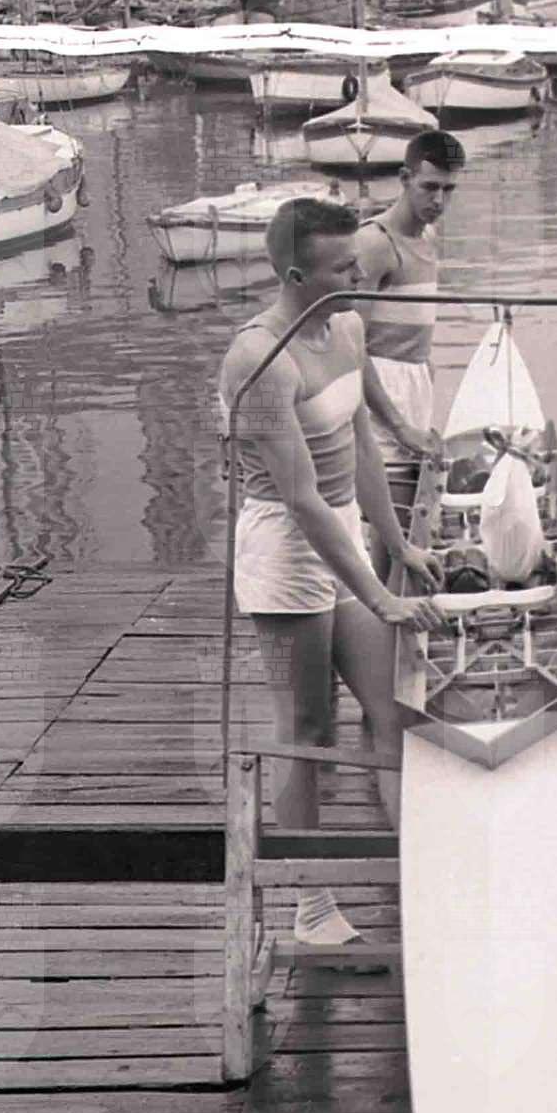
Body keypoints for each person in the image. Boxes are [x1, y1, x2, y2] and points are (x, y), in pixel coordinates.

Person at [217, 197, 447, 964]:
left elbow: (362, 449)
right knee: (308, 731)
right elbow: (300, 497)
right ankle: (311, 907)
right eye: (343, 269)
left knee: (394, 710)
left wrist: (396, 545)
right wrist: (380, 595)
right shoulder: (258, 360)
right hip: (286, 557)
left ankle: (419, 869)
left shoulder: (345, 327)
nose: (360, 278)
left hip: (342, 533)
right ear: (294, 277)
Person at [354, 129, 466, 562]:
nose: (439, 200)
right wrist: (399, 425)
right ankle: (381, 600)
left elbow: (415, 328)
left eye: (448, 190)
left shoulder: (429, 238)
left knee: (412, 521)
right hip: (379, 394)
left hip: (414, 384)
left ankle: (397, 596)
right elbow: (350, 346)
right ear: (404, 178)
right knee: (393, 526)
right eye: (429, 187)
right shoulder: (375, 243)